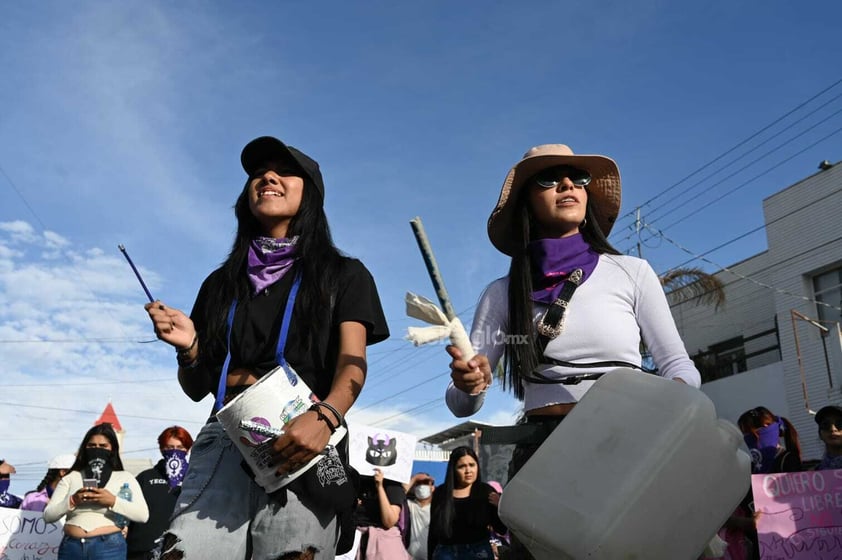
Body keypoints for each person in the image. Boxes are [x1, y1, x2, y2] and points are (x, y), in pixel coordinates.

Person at [445, 144, 701, 558]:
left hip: (626, 445)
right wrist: (469, 382)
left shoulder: (631, 272)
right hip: (541, 457)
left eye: (577, 178)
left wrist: (670, 408)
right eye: (548, 179)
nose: (567, 184)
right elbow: (462, 404)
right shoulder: (500, 294)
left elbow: (678, 365)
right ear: (527, 201)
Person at [144, 136, 389, 560]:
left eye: (284, 171)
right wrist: (189, 348)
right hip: (225, 438)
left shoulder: (345, 274)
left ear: (310, 193)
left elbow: (353, 364)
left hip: (305, 438)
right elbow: (196, 386)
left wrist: (325, 419)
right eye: (259, 173)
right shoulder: (219, 284)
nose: (268, 177)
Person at [43, 423, 149, 560]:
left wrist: (112, 501)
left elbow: (142, 515)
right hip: (72, 547)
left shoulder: (124, 477)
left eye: (103, 446)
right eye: (92, 446)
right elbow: (48, 515)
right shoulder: (71, 477)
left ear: (113, 449)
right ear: (84, 448)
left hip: (109, 547)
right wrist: (73, 500)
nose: (97, 449)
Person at [126, 426, 194, 560]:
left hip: (180, 552)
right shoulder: (146, 477)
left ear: (187, 449)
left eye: (180, 448)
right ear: (162, 449)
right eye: (169, 447)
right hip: (142, 551)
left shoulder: (194, 479)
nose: (175, 452)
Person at [427, 446, 505, 560]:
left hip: (479, 552)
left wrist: (500, 507)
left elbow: (501, 529)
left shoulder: (486, 491)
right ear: (453, 469)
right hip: (446, 554)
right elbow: (433, 532)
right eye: (462, 466)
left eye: (472, 465)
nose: (468, 470)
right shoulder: (441, 493)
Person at [353, 468, 411, 560]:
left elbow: (389, 521)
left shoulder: (392, 485)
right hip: (356, 545)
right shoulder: (354, 482)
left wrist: (379, 487)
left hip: (384, 548)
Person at [737, 406, 802, 474]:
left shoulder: (788, 460)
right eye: (745, 434)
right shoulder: (753, 467)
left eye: (750, 434)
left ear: (766, 427)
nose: (748, 439)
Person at [404, 473, 435, 560]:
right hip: (408, 557)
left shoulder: (437, 508)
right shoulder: (409, 505)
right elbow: (399, 496)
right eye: (418, 483)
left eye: (425, 482)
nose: (421, 486)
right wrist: (415, 478)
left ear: (432, 488)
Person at [815, 405, 842, 470]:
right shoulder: (814, 474)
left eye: (840, 424)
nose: (833, 429)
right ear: (820, 434)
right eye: (825, 424)